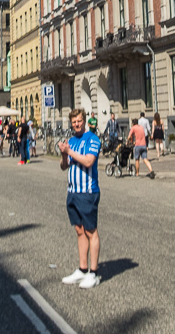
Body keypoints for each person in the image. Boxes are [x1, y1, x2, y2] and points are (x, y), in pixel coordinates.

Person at [58, 108, 102, 289]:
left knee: (91, 230)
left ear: (84, 121)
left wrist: (70, 151)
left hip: (88, 191)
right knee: (79, 229)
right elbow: (64, 166)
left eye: (79, 121)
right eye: (74, 122)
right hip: (73, 191)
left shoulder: (93, 139)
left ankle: (93, 272)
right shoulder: (72, 141)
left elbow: (88, 161)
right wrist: (64, 153)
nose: (76, 124)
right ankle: (82, 269)